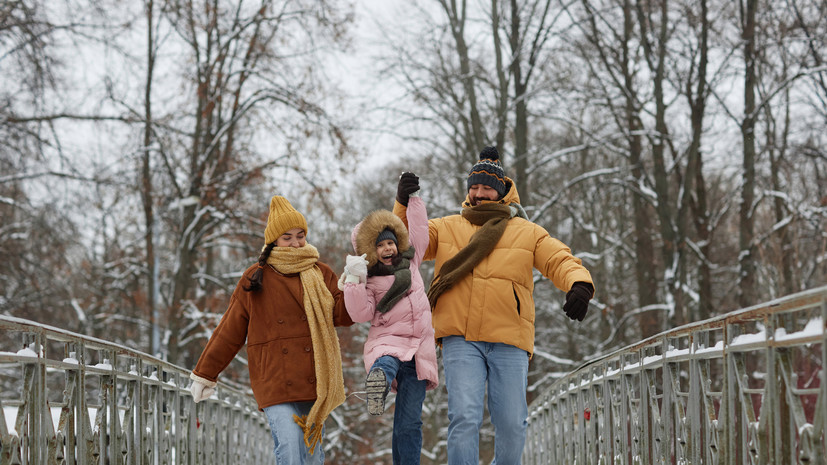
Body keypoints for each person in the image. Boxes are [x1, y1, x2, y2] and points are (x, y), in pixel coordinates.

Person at [393, 147, 595, 464]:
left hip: (509, 338)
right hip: (461, 337)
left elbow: (558, 259)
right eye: (474, 187)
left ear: (501, 191)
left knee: (513, 424)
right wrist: (404, 204)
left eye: (486, 187)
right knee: (464, 419)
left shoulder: (527, 232)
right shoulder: (446, 227)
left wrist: (579, 284)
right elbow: (406, 244)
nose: (478, 193)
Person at [188, 195, 354, 465]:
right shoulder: (255, 277)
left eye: (300, 236)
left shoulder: (320, 272)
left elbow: (343, 315)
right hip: (274, 379)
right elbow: (230, 329)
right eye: (287, 237)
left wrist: (355, 285)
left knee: (311, 455)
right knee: (288, 447)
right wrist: (205, 374)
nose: (296, 243)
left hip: (314, 378)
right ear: (274, 240)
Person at [338, 182, 438, 465]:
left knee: (409, 423)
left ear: (398, 243)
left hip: (419, 353)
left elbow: (419, 230)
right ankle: (377, 383)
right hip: (389, 342)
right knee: (386, 362)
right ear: (371, 250)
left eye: (390, 242)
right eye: (379, 244)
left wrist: (413, 199)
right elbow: (360, 313)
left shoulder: (412, 263)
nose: (387, 248)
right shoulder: (369, 279)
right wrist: (355, 281)